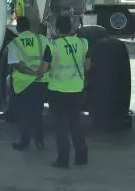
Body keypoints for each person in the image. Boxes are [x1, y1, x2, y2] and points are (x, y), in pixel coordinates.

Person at [39, 15, 90, 168]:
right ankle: (81, 157)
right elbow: (87, 66)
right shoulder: (82, 43)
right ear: (71, 27)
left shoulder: (53, 46)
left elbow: (43, 69)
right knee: (76, 123)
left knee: (61, 127)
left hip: (57, 92)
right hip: (76, 90)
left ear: (58, 29)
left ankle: (63, 159)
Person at [7, 16, 49, 151]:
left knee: (24, 114)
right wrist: (39, 72)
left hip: (23, 84)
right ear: (29, 27)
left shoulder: (15, 43)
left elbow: (16, 65)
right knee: (37, 112)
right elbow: (50, 57)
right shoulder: (41, 39)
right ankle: (39, 141)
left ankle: (24, 142)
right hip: (41, 81)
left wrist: (31, 73)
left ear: (18, 28)